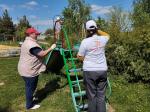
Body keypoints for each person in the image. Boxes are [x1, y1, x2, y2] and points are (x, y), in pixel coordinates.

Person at [18, 27, 56, 110]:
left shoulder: (27, 41)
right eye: (36, 34)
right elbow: (42, 54)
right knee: (30, 87)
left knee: (32, 86)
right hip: (29, 70)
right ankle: (29, 105)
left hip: (26, 68)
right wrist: (51, 48)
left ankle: (31, 98)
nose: (37, 35)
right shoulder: (31, 45)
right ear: (31, 34)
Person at [77, 20, 110, 112]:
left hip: (90, 71)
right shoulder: (103, 39)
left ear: (87, 30)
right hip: (102, 70)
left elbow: (79, 56)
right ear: (96, 29)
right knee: (101, 96)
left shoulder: (85, 41)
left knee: (91, 96)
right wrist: (96, 30)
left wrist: (87, 60)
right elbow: (108, 35)